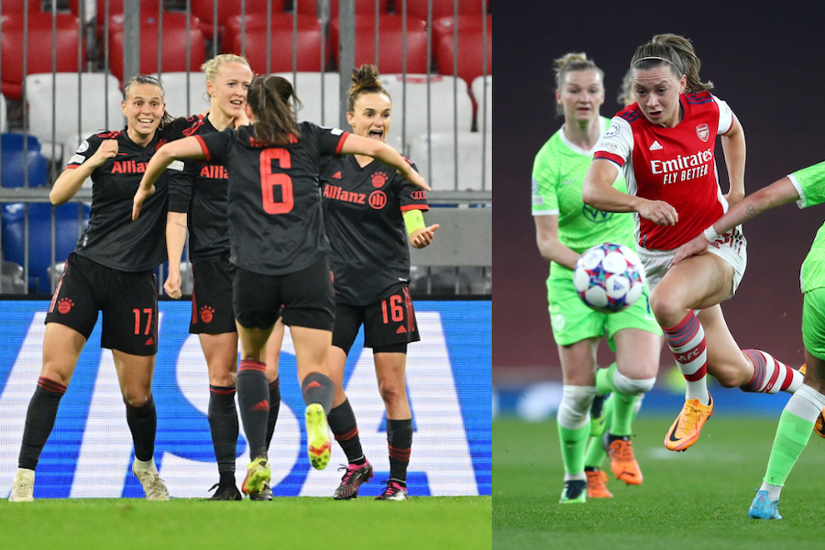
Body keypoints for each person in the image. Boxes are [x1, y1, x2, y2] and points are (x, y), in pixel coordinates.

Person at [132, 74, 430, 498]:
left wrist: (144, 187)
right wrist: (409, 172)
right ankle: (314, 410)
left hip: (253, 271)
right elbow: (377, 149)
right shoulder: (310, 138)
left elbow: (167, 150)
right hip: (309, 270)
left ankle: (258, 458)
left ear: (248, 108)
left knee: (253, 362)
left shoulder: (233, 142)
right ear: (292, 105)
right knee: (314, 369)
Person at [582, 34, 804, 453]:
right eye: (641, 91)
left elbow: (733, 130)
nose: (650, 101)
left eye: (660, 90)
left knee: (666, 304)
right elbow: (593, 189)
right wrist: (640, 203)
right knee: (734, 371)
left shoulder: (707, 109)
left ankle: (697, 400)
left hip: (715, 246)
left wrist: (736, 191)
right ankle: (810, 389)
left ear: (682, 84)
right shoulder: (625, 127)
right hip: (661, 260)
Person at [9, 75, 180, 502]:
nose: (146, 110)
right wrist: (91, 163)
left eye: (154, 103)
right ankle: (24, 478)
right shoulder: (101, 142)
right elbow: (56, 196)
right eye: (138, 102)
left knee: (137, 395)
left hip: (138, 279)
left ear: (163, 108)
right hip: (87, 271)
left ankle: (144, 464)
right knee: (52, 375)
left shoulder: (176, 149)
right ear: (124, 107)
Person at [532, 53, 661, 504]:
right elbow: (547, 242)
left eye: (591, 90)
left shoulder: (623, 137)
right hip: (573, 281)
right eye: (574, 90)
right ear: (560, 97)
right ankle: (575, 480)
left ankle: (615, 436)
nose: (583, 98)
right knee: (579, 395)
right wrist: (590, 269)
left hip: (627, 275)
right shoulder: (548, 161)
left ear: (603, 96)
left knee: (641, 376)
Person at [671, 161, 825, 519]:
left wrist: (707, 236)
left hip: (819, 283)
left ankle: (767, 496)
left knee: (815, 387)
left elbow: (768, 196)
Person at [163, 54, 282, 501]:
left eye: (247, 85)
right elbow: (177, 212)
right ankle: (229, 481)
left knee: (266, 369)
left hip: (262, 266)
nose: (240, 91)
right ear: (209, 87)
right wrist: (174, 266)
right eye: (232, 83)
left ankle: (261, 468)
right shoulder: (188, 140)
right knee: (223, 375)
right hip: (212, 266)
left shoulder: (262, 139)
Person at [316, 64, 437, 501]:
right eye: (369, 113)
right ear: (352, 118)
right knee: (324, 383)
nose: (378, 122)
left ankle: (398, 483)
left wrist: (417, 233)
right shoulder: (327, 161)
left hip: (387, 286)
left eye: (384, 114)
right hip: (337, 290)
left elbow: (412, 218)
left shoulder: (401, 167)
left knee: (391, 388)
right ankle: (357, 463)